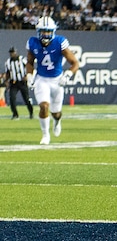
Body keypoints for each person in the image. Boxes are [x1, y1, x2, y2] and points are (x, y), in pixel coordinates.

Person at [25, 16, 80, 145]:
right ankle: (45, 135)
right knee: (44, 106)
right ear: (39, 31)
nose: (46, 34)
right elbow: (29, 62)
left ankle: (57, 121)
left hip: (56, 80)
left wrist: (67, 75)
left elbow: (75, 63)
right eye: (44, 31)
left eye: (49, 31)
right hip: (42, 79)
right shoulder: (32, 42)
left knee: (56, 113)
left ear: (53, 31)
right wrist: (29, 75)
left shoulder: (60, 42)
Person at [4, 46, 34, 120]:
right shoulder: (8, 62)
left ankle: (31, 113)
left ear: (16, 52)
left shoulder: (22, 59)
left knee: (26, 99)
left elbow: (29, 67)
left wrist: (27, 75)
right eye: (10, 53)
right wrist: (6, 81)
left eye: (13, 52)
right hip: (13, 83)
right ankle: (15, 114)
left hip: (22, 82)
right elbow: (8, 72)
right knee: (12, 99)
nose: (12, 54)